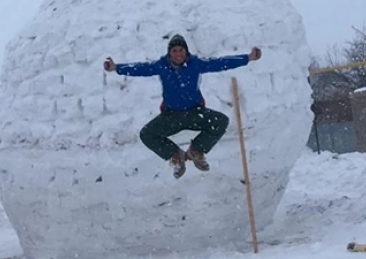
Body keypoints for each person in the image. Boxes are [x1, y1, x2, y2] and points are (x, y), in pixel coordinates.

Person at [104, 34, 262, 179]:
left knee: (221, 121)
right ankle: (176, 156)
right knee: (147, 134)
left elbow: (220, 63)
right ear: (169, 53)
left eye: (181, 50)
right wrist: (116, 67)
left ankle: (196, 150)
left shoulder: (196, 64)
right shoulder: (161, 66)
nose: (178, 54)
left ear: (186, 52)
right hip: (171, 116)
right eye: (174, 51)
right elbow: (140, 68)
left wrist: (248, 58)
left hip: (195, 113)